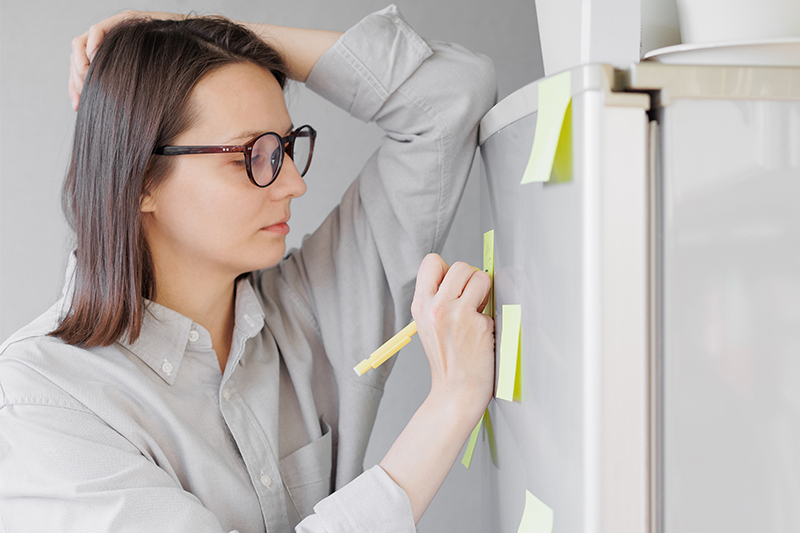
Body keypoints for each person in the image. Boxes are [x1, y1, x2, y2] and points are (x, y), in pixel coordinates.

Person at [0, 5, 496, 532]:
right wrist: (450, 404)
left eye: (284, 147)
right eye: (251, 156)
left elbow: (452, 94)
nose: (292, 184)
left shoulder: (311, 305)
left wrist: (191, 34)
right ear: (142, 178)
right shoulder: (45, 399)